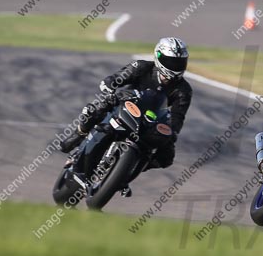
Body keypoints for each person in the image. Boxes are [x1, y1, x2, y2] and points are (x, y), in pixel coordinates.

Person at [58, 37, 192, 192]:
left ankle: (125, 173)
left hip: (150, 121)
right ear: (159, 56)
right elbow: (118, 77)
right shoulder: (142, 67)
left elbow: (178, 115)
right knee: (98, 107)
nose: (176, 66)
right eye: (171, 61)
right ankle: (78, 136)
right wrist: (110, 84)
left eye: (179, 62)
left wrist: (172, 131)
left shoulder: (184, 90)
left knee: (167, 156)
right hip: (125, 104)